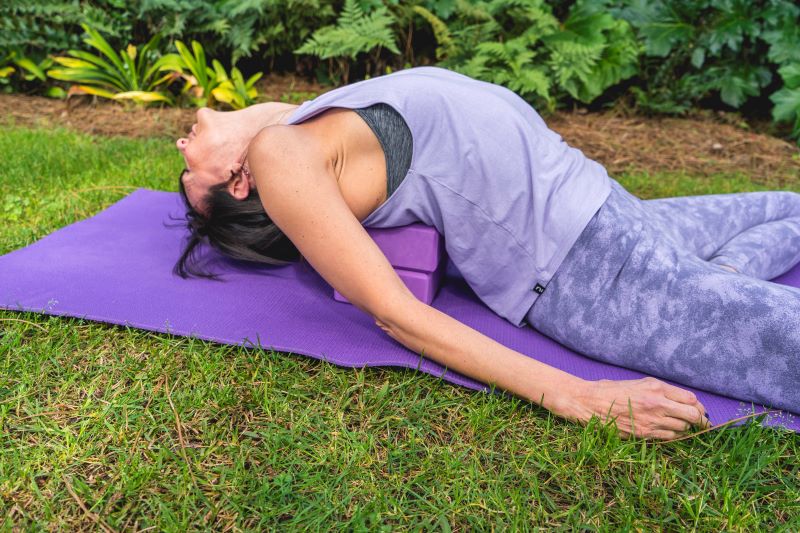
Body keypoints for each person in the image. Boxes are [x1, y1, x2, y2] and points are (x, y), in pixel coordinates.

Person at [174, 66, 800, 440]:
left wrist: (247, 125)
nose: (179, 141)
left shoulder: (299, 120)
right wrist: (572, 393)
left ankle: (715, 281)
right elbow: (396, 314)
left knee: (786, 206)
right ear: (237, 181)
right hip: (589, 273)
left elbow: (269, 121)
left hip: (613, 207)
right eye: (186, 169)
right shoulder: (279, 158)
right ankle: (705, 294)